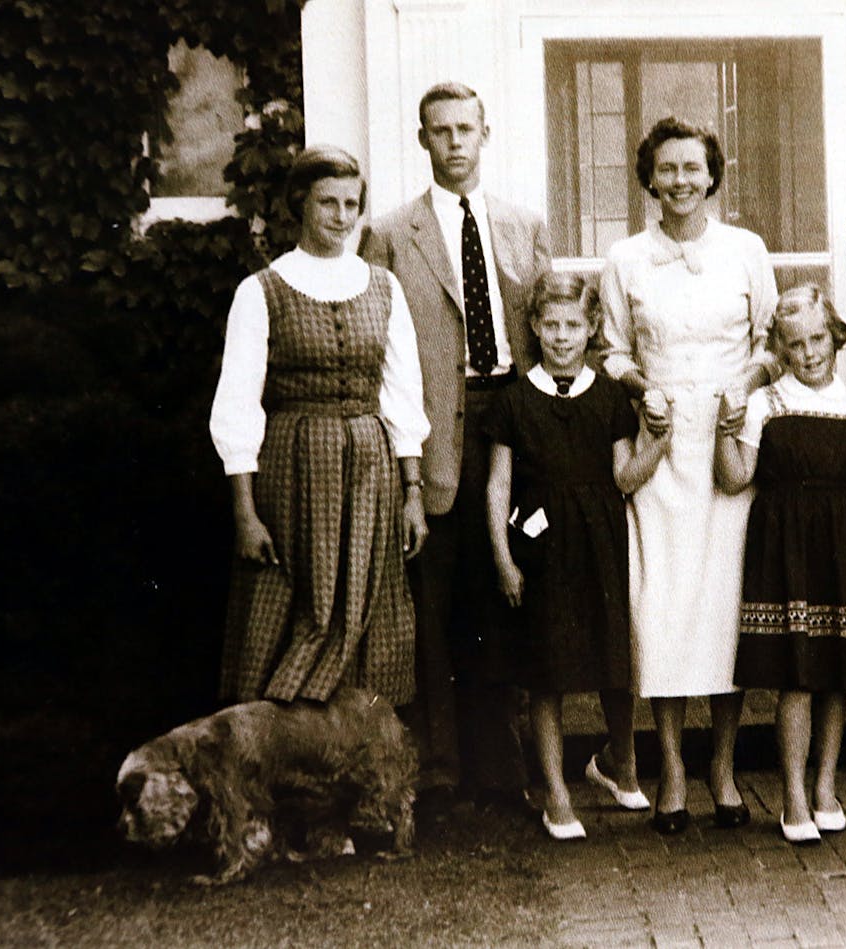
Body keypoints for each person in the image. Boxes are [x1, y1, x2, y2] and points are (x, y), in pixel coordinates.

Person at [361, 82, 549, 813]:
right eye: (441, 131)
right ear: (423, 140)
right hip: (436, 429)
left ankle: (504, 769)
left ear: (486, 132)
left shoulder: (522, 224)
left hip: (509, 417)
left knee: (507, 592)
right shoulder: (390, 233)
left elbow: (544, 329)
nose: (455, 142)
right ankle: (439, 768)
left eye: (466, 128)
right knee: (435, 603)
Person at [599, 116, 780, 835]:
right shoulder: (625, 258)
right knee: (665, 606)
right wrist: (640, 384)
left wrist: (747, 385)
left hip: (730, 439)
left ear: (713, 175)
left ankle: (724, 765)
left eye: (693, 168)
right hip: (663, 439)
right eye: (667, 169)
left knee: (723, 604)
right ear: (649, 177)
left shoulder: (746, 250)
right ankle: (671, 765)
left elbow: (771, 342)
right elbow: (610, 349)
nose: (680, 181)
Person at [211, 145, 430, 707]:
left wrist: (412, 491)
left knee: (367, 602)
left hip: (369, 472)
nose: (341, 215)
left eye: (351, 204)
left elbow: (403, 394)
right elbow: (237, 405)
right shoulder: (261, 290)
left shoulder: (383, 286)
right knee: (292, 601)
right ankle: (277, 751)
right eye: (327, 202)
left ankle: (354, 761)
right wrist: (245, 511)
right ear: (300, 206)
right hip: (292, 468)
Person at [485, 272, 671, 840]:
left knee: (615, 662)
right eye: (551, 325)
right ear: (536, 328)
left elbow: (623, 475)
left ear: (591, 329)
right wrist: (504, 560)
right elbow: (498, 486)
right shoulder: (514, 400)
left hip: (600, 545)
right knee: (549, 670)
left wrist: (659, 443)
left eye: (573, 326)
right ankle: (556, 792)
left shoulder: (609, 396)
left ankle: (624, 767)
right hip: (542, 551)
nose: (561, 337)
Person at [714, 285, 846, 845]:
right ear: (781, 349)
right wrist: (725, 426)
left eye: (818, 338)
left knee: (835, 677)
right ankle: (792, 794)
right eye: (795, 344)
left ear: (837, 336)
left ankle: (825, 786)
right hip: (787, 552)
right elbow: (736, 476)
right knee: (797, 676)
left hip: (844, 555)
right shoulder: (768, 404)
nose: (810, 352)